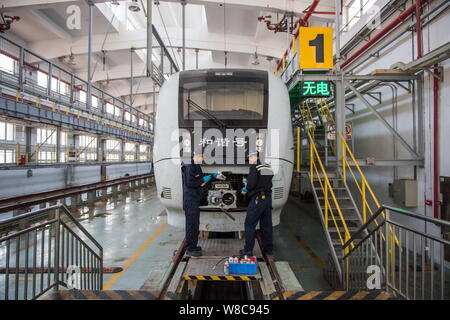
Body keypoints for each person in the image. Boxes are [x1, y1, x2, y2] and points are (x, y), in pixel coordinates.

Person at [182, 146, 222, 258]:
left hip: (195, 200)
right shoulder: (189, 167)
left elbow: (200, 178)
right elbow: (191, 183)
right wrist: (204, 180)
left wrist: (212, 176)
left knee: (195, 225)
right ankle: (190, 249)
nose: (203, 159)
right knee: (191, 225)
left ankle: (193, 246)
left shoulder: (196, 166)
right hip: (190, 201)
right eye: (202, 157)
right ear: (196, 156)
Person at [240, 150, 274, 256]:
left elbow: (251, 184)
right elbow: (268, 180)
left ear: (255, 157)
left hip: (258, 198)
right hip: (268, 198)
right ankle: (268, 249)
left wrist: (245, 189)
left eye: (249, 158)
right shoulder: (267, 166)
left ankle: (248, 250)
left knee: (249, 224)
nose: (249, 160)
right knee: (266, 225)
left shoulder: (254, 167)